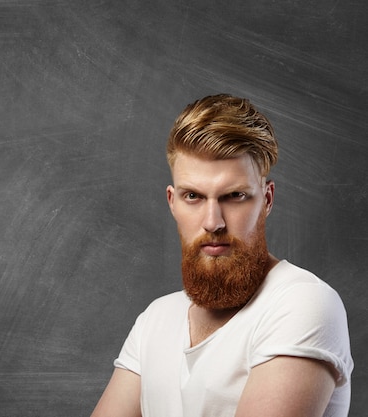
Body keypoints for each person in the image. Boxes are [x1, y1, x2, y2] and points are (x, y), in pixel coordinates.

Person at [90, 94, 354, 417]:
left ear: (267, 199)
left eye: (235, 196)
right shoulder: (154, 321)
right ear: (172, 202)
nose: (213, 222)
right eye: (193, 197)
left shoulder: (304, 303)